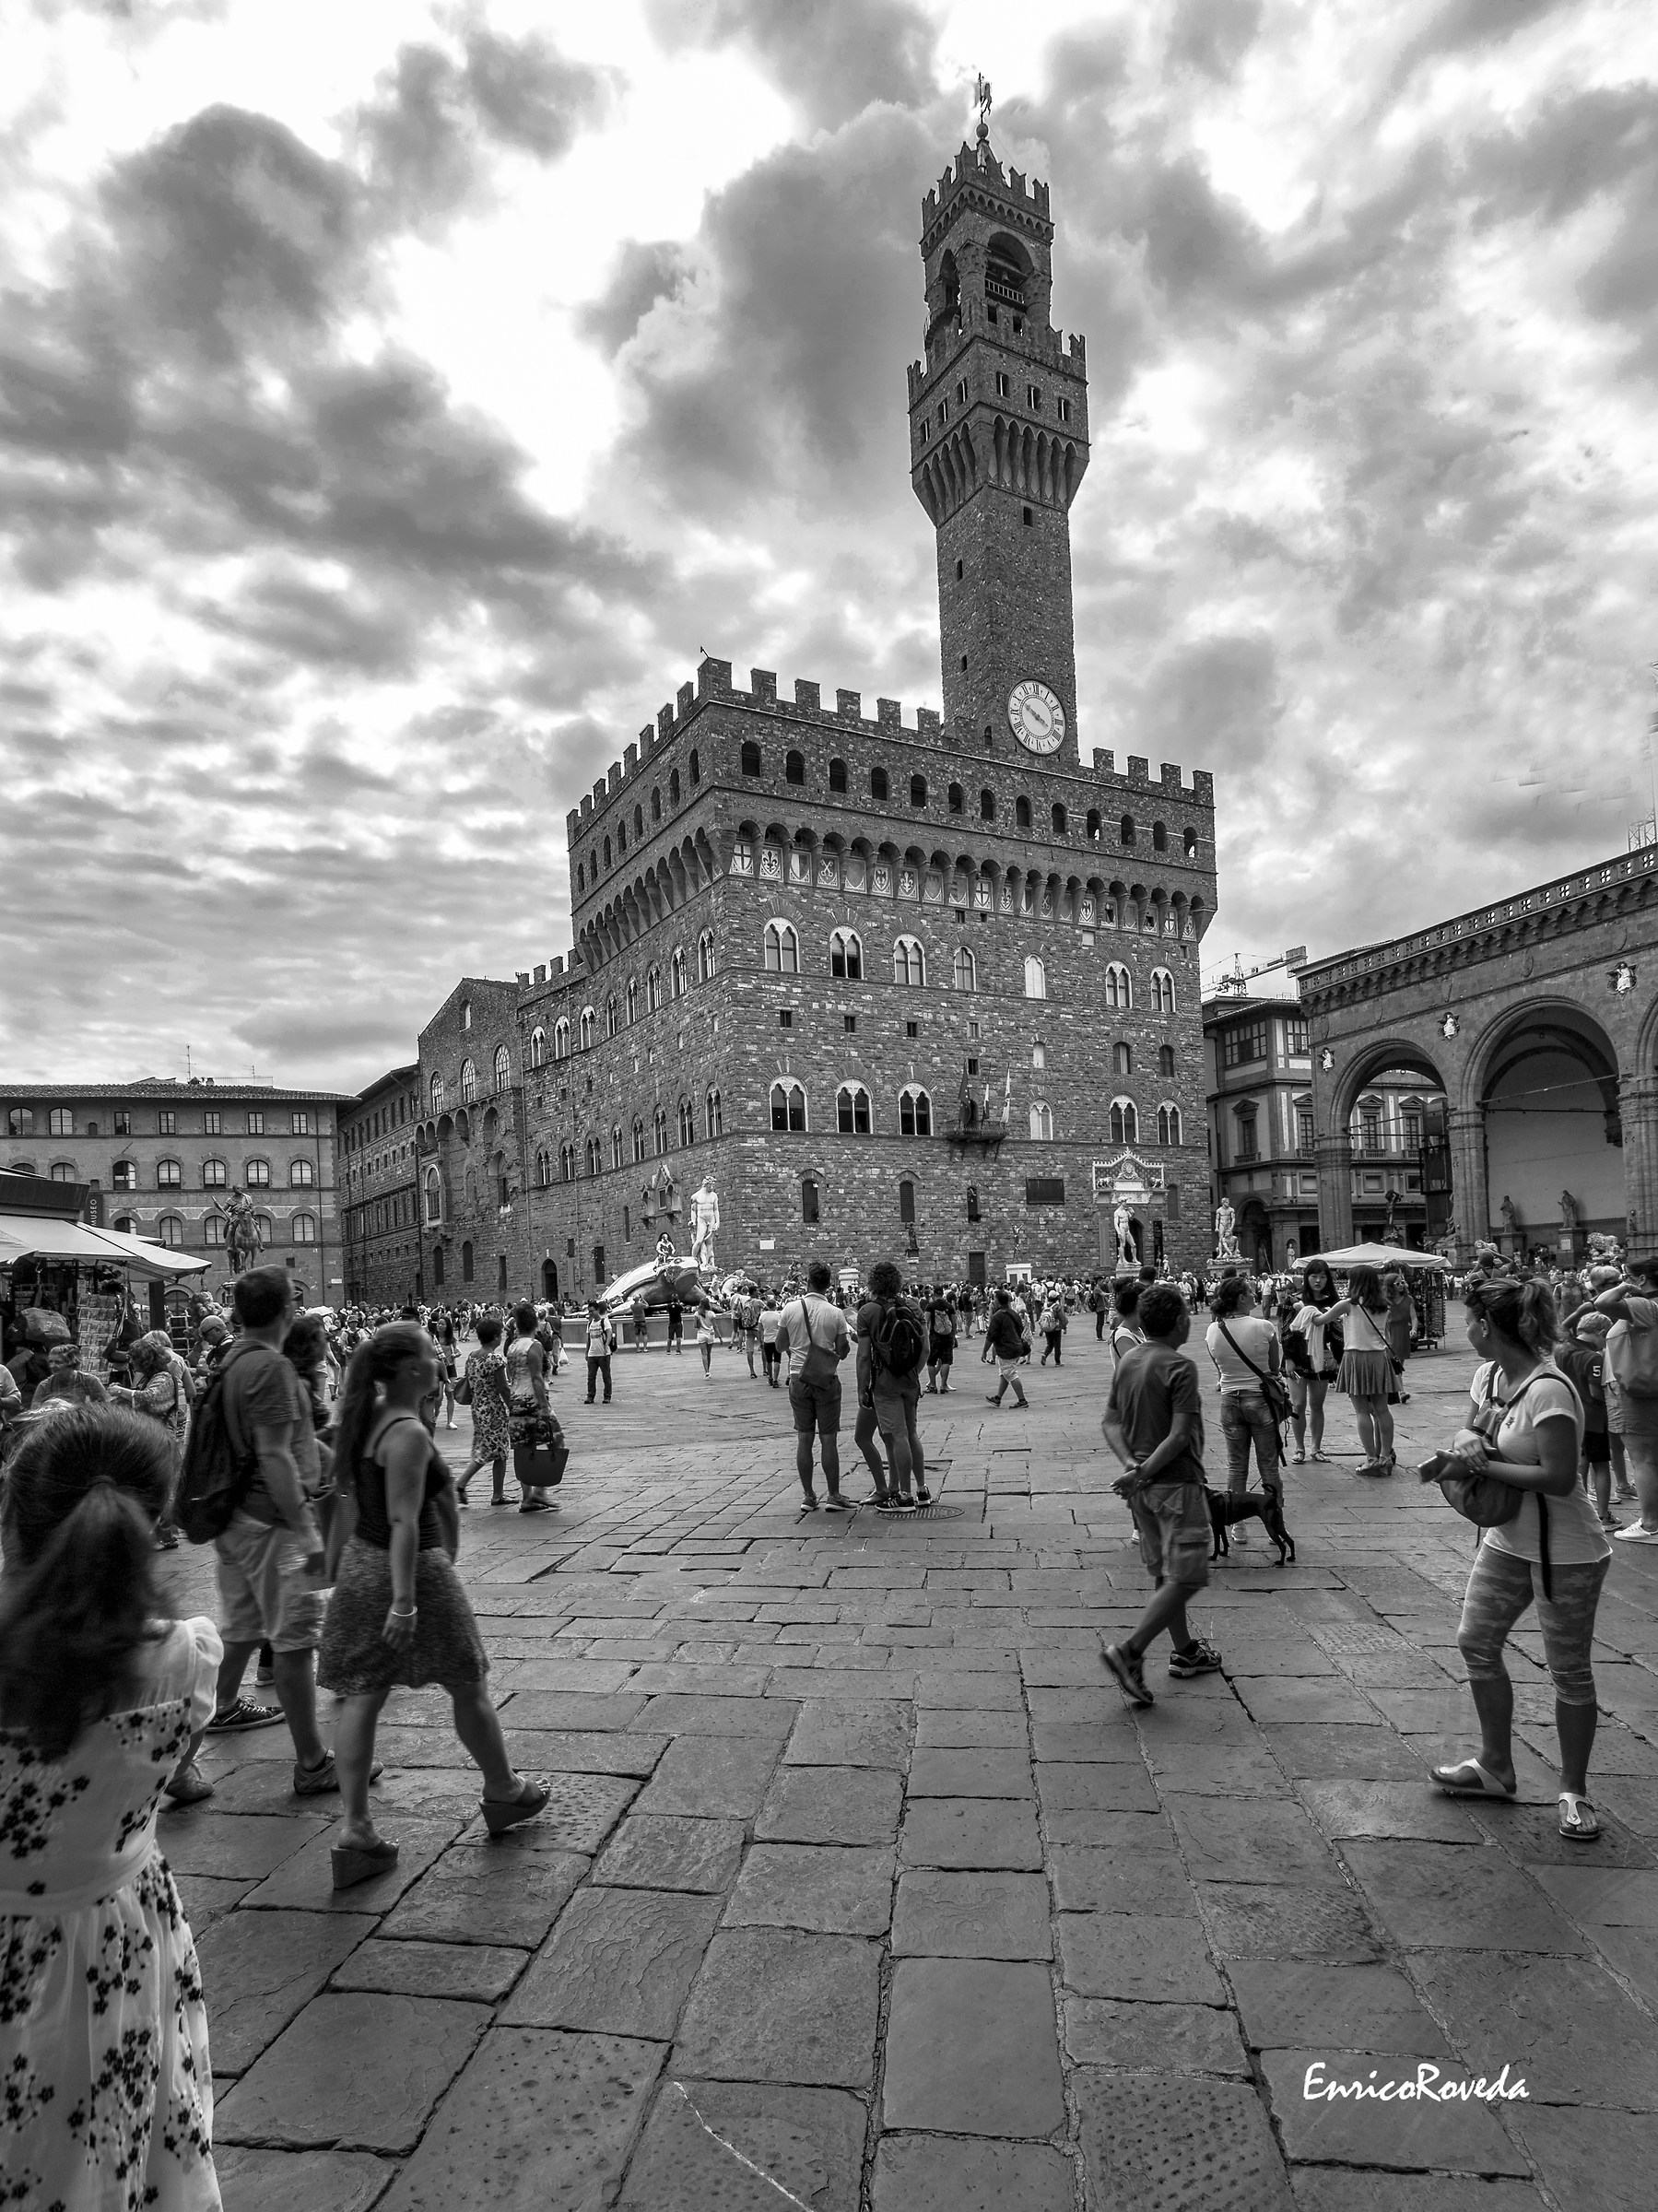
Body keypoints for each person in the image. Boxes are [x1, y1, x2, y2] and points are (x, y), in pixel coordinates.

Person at [0, 1407, 225, 2207]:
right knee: (119, 2144)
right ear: (152, 1528)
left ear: (12, 1517)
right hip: (122, 1942)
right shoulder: (188, 1658)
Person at [319, 1324, 547, 1887]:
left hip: (360, 1567)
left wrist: (337, 1566)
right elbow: (402, 1518)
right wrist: (403, 1601)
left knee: (362, 1696)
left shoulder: (364, 1419)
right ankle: (502, 1789)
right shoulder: (408, 1434)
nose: (439, 1359)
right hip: (414, 1572)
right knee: (468, 1682)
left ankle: (355, 1830)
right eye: (428, 1355)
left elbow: (348, 1494)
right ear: (408, 1372)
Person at [1421, 1277, 1611, 1841]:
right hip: (1508, 1541)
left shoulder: (1549, 1389)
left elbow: (1557, 1478)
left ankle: (1574, 1792)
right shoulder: (1490, 1376)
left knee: (1570, 1672)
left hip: (1567, 1552)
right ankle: (1495, 1765)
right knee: (1476, 1641)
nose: (1466, 1326)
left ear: (1490, 1326)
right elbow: (1471, 1424)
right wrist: (1466, 1442)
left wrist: (1476, 1466)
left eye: (1472, 1319)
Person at [203, 1267, 337, 1794]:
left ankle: (207, 1726)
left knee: (240, 1629)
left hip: (235, 1518)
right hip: (272, 1523)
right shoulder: (274, 1368)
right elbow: (276, 1455)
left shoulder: (231, 1359)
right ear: (286, 1311)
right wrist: (307, 1531)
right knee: (296, 1641)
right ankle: (312, 1763)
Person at [1099, 1284, 1221, 1704]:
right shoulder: (1181, 1367)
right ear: (1180, 1322)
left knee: (1164, 1574)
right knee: (1186, 1575)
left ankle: (1186, 1651)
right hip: (1176, 1483)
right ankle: (1130, 1651)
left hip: (1143, 1492)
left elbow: (1111, 1422)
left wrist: (1133, 1470)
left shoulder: (1128, 1359)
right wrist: (1146, 1469)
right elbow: (1180, 1434)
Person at [1204, 1277, 1284, 1544]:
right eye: (1250, 1292)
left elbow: (1219, 1367)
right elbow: (1274, 1366)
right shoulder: (1263, 1327)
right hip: (1259, 1400)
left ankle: (1237, 1528)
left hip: (1229, 1401)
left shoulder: (1213, 1330)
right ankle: (1275, 1524)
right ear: (1240, 1298)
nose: (1255, 1296)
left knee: (1237, 1466)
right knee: (1269, 1467)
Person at [777, 1262, 854, 1509]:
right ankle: (833, 1495)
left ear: (808, 1282)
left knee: (804, 1438)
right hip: (825, 1380)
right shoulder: (836, 1313)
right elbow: (842, 1352)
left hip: (798, 1379)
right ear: (828, 1285)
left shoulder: (790, 1309)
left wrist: (796, 1350)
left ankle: (809, 1496)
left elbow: (779, 1345)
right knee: (828, 1439)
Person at [857, 1259, 931, 1512]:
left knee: (896, 1436)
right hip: (911, 1381)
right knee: (911, 1434)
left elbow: (864, 1356)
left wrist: (862, 1387)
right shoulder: (913, 1306)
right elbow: (926, 1349)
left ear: (874, 1282)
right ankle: (921, 1490)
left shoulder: (868, 1311)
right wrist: (913, 1373)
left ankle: (904, 1497)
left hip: (885, 1384)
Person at [1595, 1258, 1658, 1544]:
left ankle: (1650, 1524)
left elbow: (1602, 1302)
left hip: (1635, 1393)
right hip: (1646, 1390)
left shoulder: (1644, 1305)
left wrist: (1625, 1286)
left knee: (1643, 1460)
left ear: (1642, 1279)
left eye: (1627, 1275)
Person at [1324, 1265, 1394, 1477]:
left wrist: (1303, 1308)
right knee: (1382, 1410)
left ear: (1356, 1283)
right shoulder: (1384, 1306)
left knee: (1362, 1411)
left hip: (1356, 1357)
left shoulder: (1348, 1305)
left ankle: (1371, 1459)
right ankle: (1386, 1457)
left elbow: (1320, 1320)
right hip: (1379, 1358)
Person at [1558, 1310, 1616, 1528]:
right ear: (1601, 1333)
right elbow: (1594, 1393)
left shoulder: (1561, 1350)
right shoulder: (1593, 1357)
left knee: (1581, 1462)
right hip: (1593, 1418)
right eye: (1606, 1337)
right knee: (1601, 1465)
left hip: (1571, 1413)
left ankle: (1577, 1509)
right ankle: (1603, 1515)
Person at [504, 1300, 557, 1512]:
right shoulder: (534, 1346)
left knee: (522, 1449)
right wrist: (545, 1407)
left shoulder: (512, 1347)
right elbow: (536, 1378)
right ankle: (540, 1490)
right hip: (532, 1400)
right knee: (551, 1440)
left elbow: (511, 1375)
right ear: (535, 1322)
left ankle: (527, 1497)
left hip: (515, 1399)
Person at [457, 1313, 512, 1505]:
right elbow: (503, 1388)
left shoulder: (472, 1357)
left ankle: (496, 1493)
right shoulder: (495, 1360)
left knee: (489, 1449)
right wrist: (512, 1406)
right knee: (498, 1450)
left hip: (477, 1408)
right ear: (496, 1337)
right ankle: (464, 1483)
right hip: (493, 1409)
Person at [982, 1288, 1030, 1410]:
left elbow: (991, 1336)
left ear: (998, 1301)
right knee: (1005, 1373)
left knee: (1011, 1374)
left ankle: (1022, 1400)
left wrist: (984, 1352)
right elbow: (1020, 1328)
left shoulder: (998, 1316)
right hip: (1017, 1346)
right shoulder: (1014, 1313)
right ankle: (998, 1397)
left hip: (1006, 1349)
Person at [1383, 1272, 1416, 1402]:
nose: (1401, 1285)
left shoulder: (1409, 1299)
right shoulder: (1385, 1301)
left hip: (1403, 1333)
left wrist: (1413, 1329)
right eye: (1398, 1284)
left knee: (1398, 1364)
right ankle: (1401, 1392)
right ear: (1391, 1286)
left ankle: (1393, 1389)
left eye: (1402, 1282)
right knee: (1394, 1364)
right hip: (1390, 1333)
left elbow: (1413, 1317)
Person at [924, 1292, 957, 1394]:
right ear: (942, 1294)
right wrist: (953, 1336)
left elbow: (926, 1321)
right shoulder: (949, 1306)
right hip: (947, 1337)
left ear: (934, 1294)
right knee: (946, 1361)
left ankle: (933, 1385)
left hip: (934, 1337)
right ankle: (943, 1385)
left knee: (931, 1362)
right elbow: (954, 1322)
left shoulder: (930, 1306)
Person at [585, 1301, 616, 1403]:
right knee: (591, 1377)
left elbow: (609, 1334)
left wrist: (606, 1345)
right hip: (592, 1354)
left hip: (604, 1354)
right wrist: (586, 1352)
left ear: (597, 1310)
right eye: (589, 1312)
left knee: (606, 1376)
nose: (590, 1314)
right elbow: (588, 1339)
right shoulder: (589, 1323)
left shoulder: (605, 1321)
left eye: (592, 1311)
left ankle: (607, 1395)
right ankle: (590, 1396)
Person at [758, 1292, 783, 1386]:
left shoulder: (762, 1316)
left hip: (767, 1340)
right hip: (776, 1340)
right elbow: (781, 1328)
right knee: (777, 1360)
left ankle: (770, 1378)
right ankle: (776, 1379)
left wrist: (760, 1341)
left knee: (769, 1361)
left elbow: (759, 1330)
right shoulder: (778, 1316)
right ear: (775, 1306)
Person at [1039, 1286, 1066, 1367]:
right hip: (1056, 1327)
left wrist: (1042, 1329)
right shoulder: (1057, 1307)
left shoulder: (1045, 1306)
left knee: (1050, 1344)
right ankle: (1057, 1361)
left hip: (1047, 1327)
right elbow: (1062, 1318)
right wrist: (1064, 1327)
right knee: (1057, 1345)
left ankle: (1045, 1355)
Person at [695, 1300, 718, 1377]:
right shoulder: (712, 1314)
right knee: (709, 1353)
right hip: (710, 1334)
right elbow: (715, 1326)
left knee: (704, 1354)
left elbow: (695, 1326)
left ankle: (706, 1371)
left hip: (701, 1334)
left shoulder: (697, 1313)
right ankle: (708, 1368)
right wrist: (720, 1337)